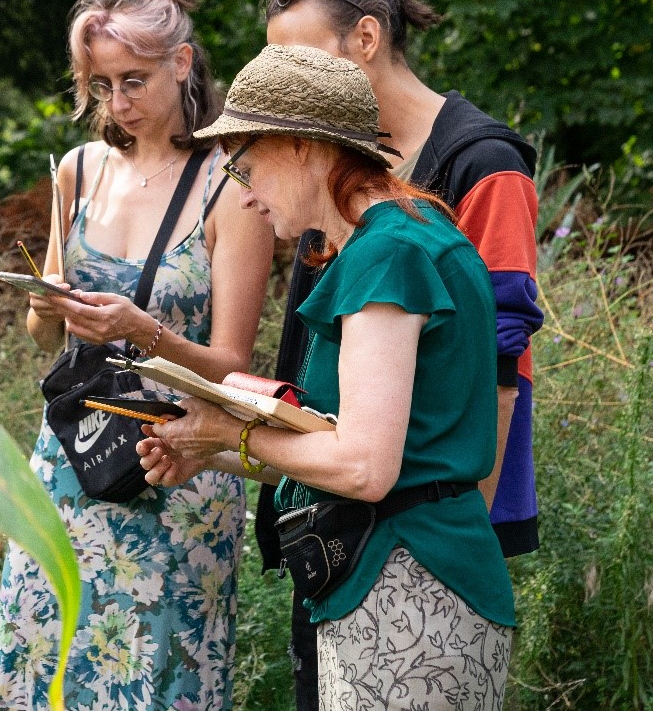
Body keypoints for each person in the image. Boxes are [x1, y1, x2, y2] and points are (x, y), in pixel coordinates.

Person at [139, 43, 516, 710]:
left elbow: (365, 468)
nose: (246, 194)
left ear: (305, 147)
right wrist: (209, 448)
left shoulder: (385, 255)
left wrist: (230, 427)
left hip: (405, 589)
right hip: (411, 585)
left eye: (247, 166)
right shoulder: (410, 233)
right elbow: (342, 448)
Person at [0, 0, 274, 711]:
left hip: (173, 470)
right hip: (71, 461)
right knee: (49, 666)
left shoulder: (232, 187)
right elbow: (41, 337)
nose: (118, 101)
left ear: (181, 63)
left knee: (154, 678)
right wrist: (49, 306)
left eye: (133, 80)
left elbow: (234, 367)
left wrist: (144, 330)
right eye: (101, 84)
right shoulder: (77, 171)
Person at [258, 0, 543, 709]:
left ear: (363, 39)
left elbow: (498, 367)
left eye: (296, 58)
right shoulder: (333, 188)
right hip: (344, 524)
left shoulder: (481, 162)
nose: (282, 79)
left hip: (419, 529)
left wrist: (445, 534)